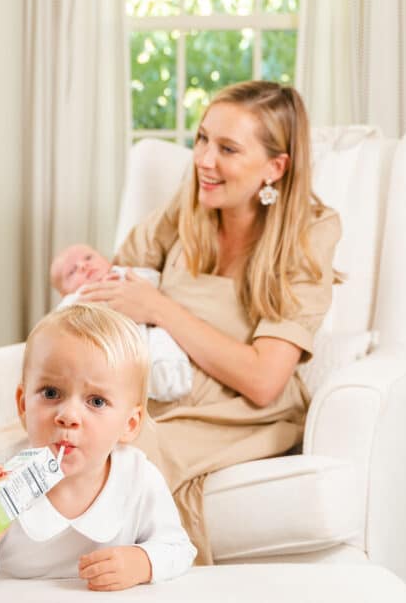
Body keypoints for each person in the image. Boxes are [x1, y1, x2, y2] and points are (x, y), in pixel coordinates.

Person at [78, 80, 341, 564]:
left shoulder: (309, 235)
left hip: (239, 410)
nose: (204, 159)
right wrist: (84, 275)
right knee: (24, 447)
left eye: (227, 149)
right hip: (156, 390)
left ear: (274, 167)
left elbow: (264, 380)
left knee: (121, 463)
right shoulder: (191, 204)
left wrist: (159, 308)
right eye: (202, 139)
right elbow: (119, 279)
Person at [0, 304, 196, 601]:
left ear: (129, 424)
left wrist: (143, 562)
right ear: (23, 405)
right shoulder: (0, 476)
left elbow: (179, 548)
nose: (68, 415)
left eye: (96, 401)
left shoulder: (139, 478)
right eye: (51, 393)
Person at [50, 243, 192, 401]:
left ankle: (171, 375)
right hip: (112, 345)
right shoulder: (76, 299)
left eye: (88, 257)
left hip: (144, 330)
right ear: (64, 293)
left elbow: (154, 282)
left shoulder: (125, 274)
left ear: (107, 261)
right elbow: (60, 321)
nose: (83, 266)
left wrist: (123, 279)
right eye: (72, 271)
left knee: (161, 339)